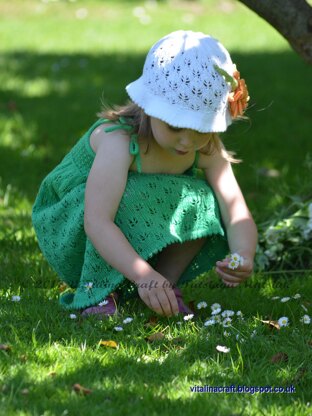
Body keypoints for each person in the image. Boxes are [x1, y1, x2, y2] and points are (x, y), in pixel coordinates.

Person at [32, 30, 257, 318]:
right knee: (128, 196)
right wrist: (141, 274)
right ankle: (99, 289)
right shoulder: (121, 142)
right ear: (149, 109)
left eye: (201, 129)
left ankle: (163, 283)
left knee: (204, 200)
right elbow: (97, 220)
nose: (187, 142)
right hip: (74, 224)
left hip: (123, 224)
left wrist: (244, 254)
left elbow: (235, 209)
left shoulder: (206, 147)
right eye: (175, 126)